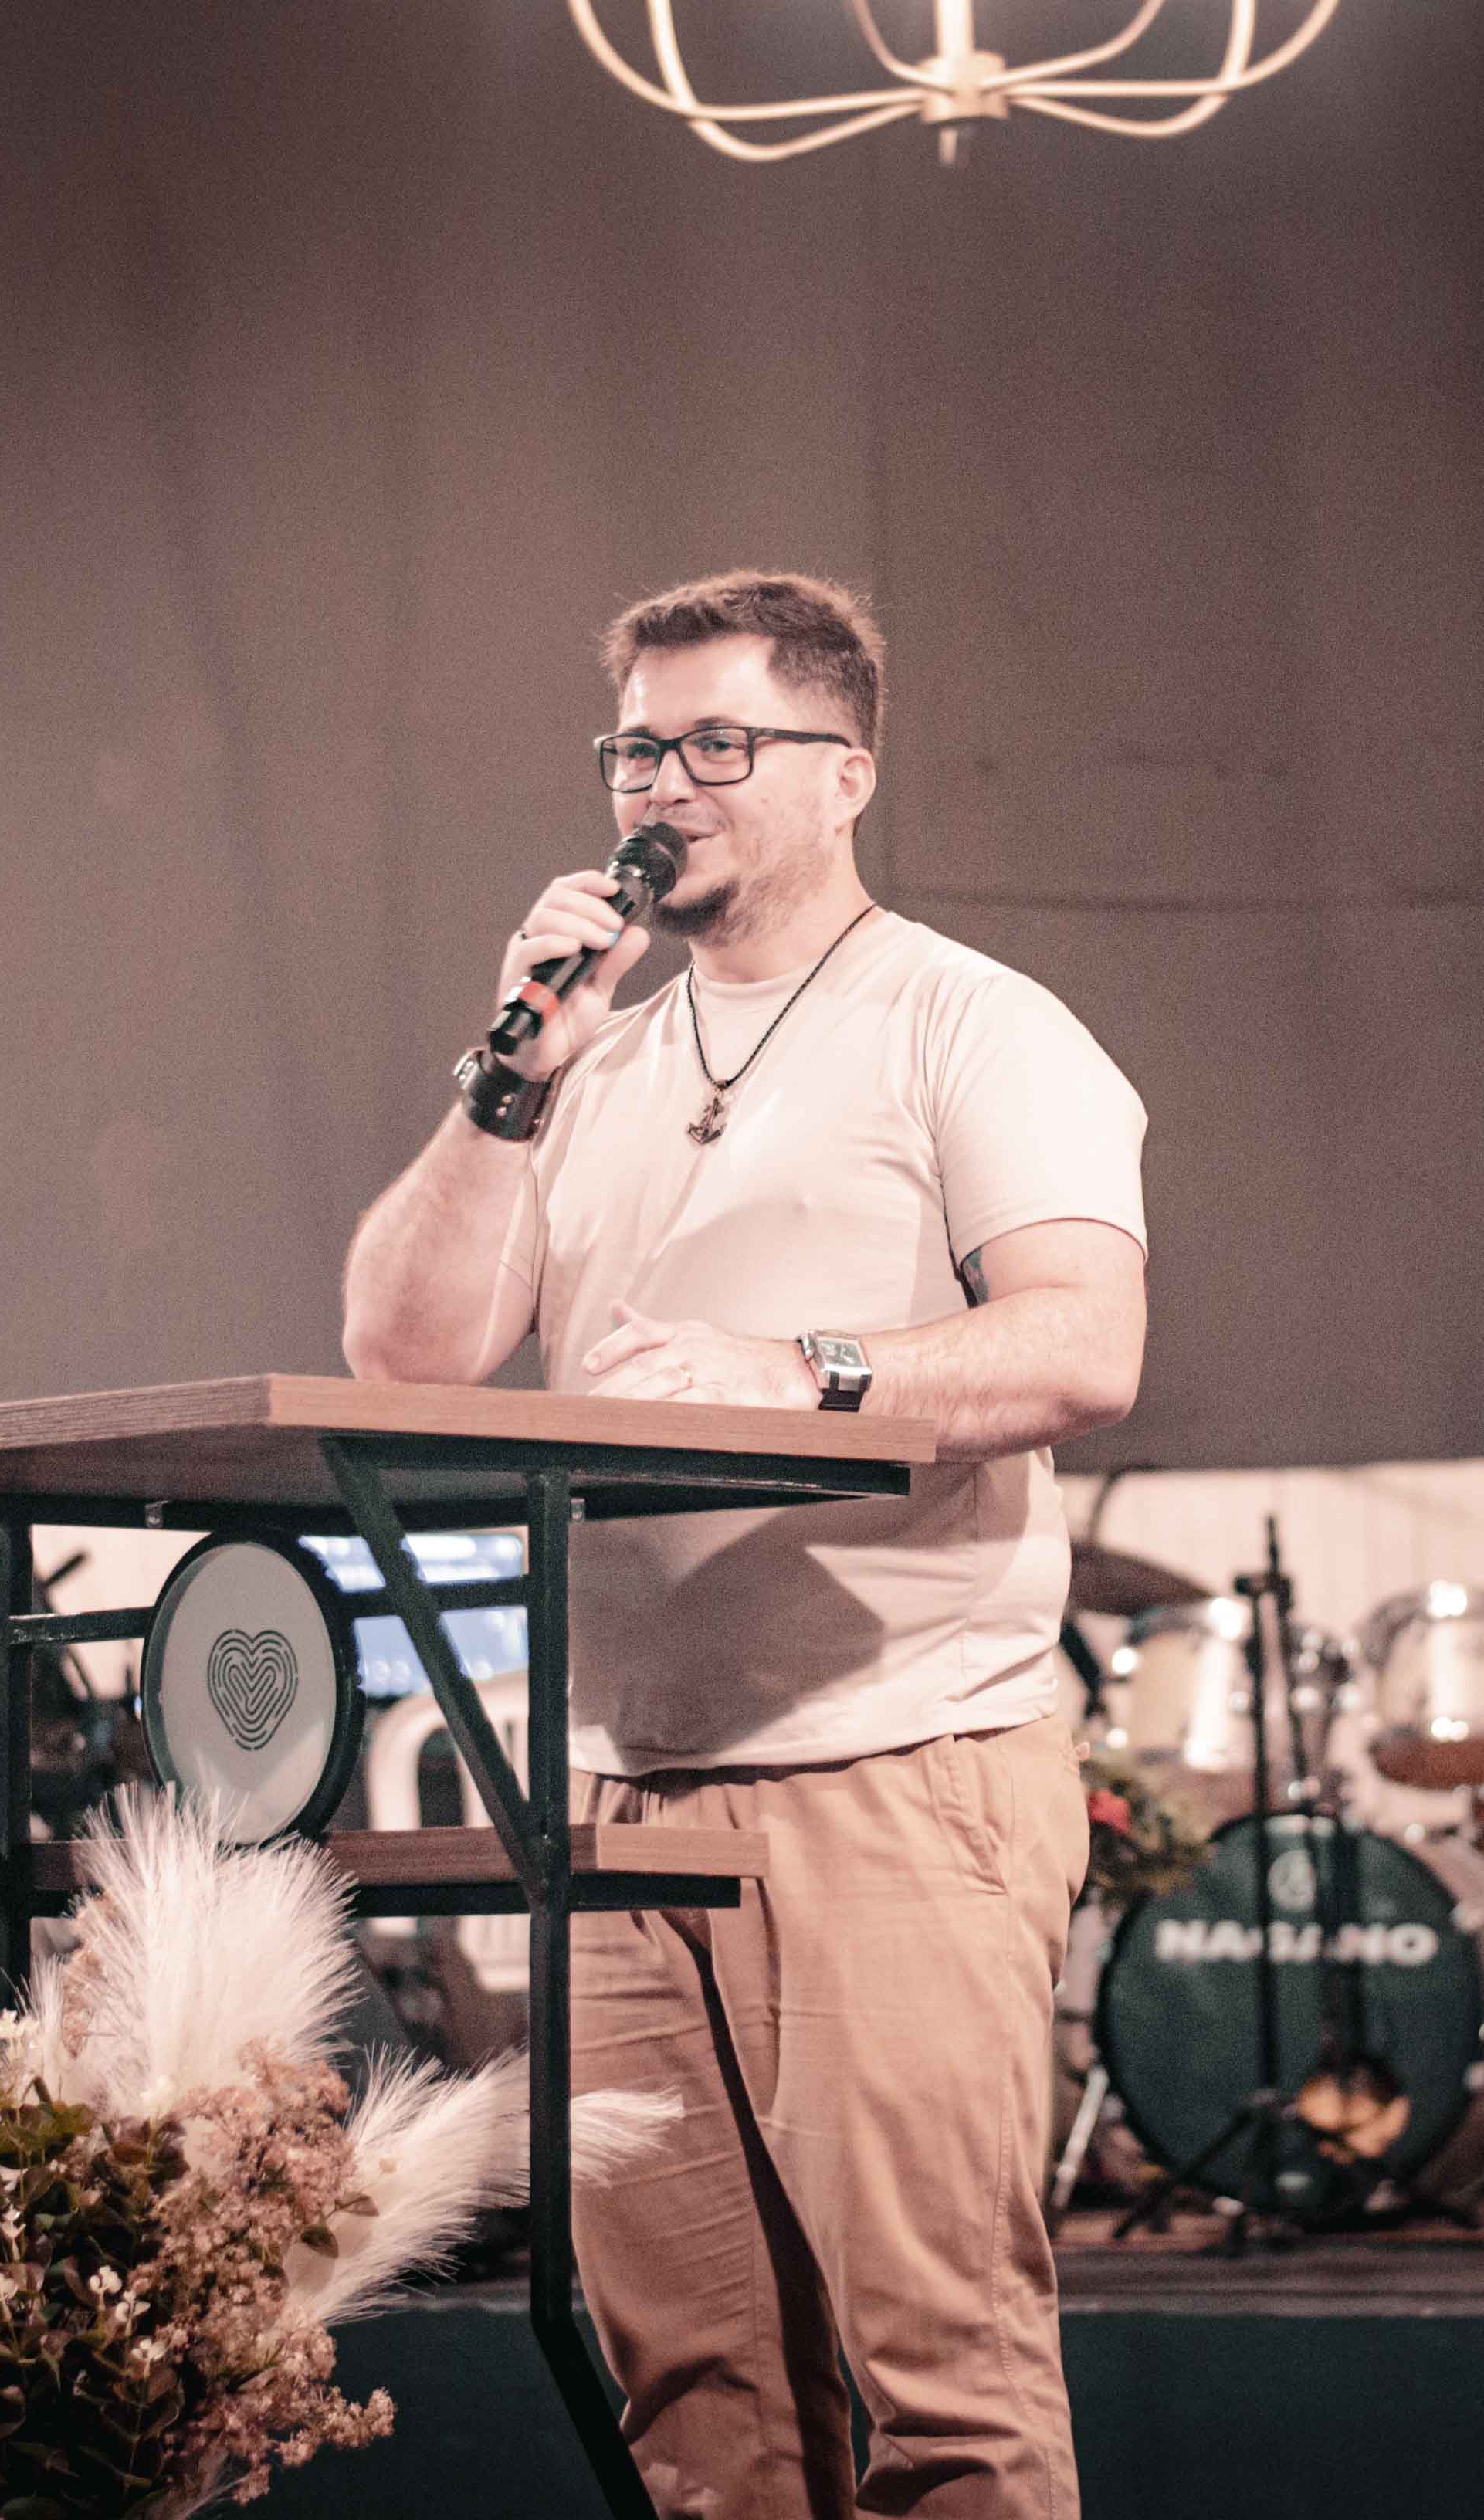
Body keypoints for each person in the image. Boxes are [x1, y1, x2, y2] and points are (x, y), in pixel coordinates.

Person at [341, 570, 1145, 2520]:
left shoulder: (969, 1022)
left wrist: (797, 1372)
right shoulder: (592, 1067)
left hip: (894, 1769)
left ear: (846, 772)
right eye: (636, 750)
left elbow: (1084, 1346)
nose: (662, 789)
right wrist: (511, 1068)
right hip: (626, 1800)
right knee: (698, 2408)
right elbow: (404, 1352)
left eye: (718, 744)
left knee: (940, 2385)